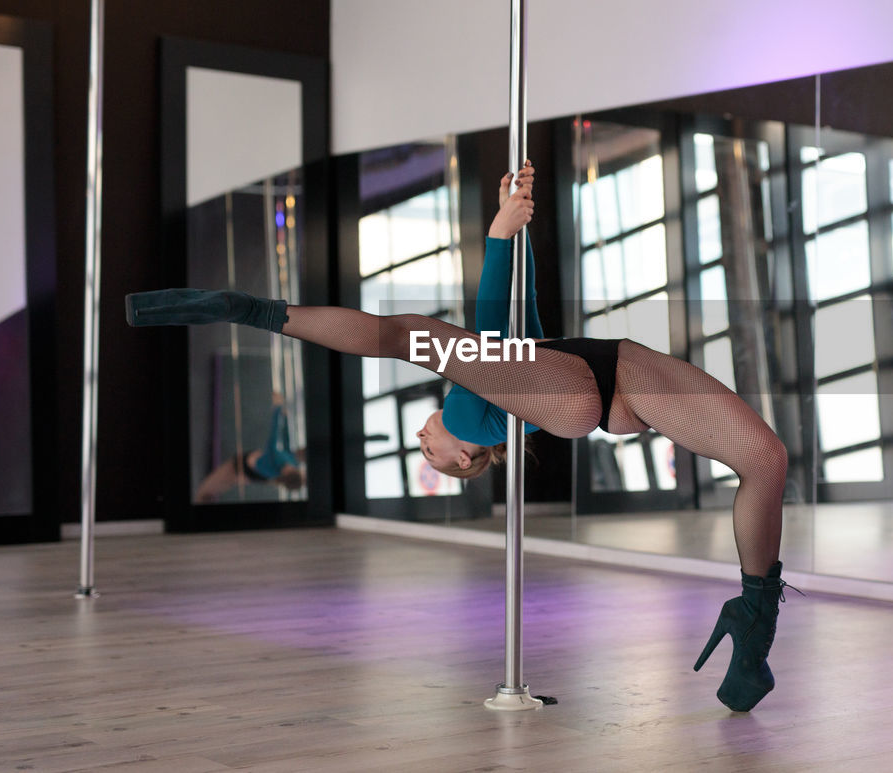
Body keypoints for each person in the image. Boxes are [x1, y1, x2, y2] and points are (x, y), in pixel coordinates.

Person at [127, 163, 793, 712]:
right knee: (408, 336)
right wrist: (501, 231)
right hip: (582, 388)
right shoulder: (473, 417)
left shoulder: (496, 391)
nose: (422, 436)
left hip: (613, 371)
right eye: (429, 451)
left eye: (421, 447)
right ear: (468, 455)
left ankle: (752, 622)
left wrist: (515, 230)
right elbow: (482, 331)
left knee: (765, 459)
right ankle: (254, 310)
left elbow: (517, 325)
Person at [194, 394, 304, 503]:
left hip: (238, 468)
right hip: (243, 466)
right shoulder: (291, 461)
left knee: (206, 489)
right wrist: (284, 417)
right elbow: (286, 440)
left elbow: (273, 438)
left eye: (288, 470)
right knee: (215, 489)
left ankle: (201, 499)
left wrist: (277, 409)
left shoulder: (274, 469)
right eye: (292, 468)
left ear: (284, 475)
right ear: (296, 468)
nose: (288, 467)